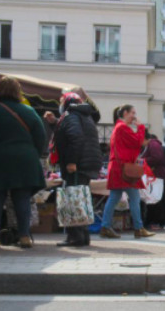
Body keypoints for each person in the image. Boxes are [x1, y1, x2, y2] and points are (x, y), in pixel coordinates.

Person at [0, 78, 46, 249]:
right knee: (22, 199)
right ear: (17, 92)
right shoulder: (29, 112)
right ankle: (24, 236)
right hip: (24, 160)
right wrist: (30, 153)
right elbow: (40, 137)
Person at [53, 92, 103, 247]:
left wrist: (72, 161)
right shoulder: (84, 116)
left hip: (77, 165)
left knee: (72, 199)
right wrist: (53, 123)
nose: (60, 104)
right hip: (86, 163)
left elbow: (75, 137)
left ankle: (76, 237)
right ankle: (83, 236)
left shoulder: (70, 116)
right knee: (80, 199)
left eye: (61, 101)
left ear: (67, 102)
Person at [100, 105, 156, 239]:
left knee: (114, 198)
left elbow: (134, 143)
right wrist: (141, 127)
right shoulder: (122, 128)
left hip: (119, 167)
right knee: (134, 198)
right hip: (123, 168)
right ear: (125, 113)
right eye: (132, 113)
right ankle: (138, 228)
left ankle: (106, 226)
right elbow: (137, 142)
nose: (134, 116)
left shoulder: (118, 127)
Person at [143, 133, 165, 230]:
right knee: (154, 199)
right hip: (154, 176)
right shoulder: (152, 145)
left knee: (155, 200)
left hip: (156, 176)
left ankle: (157, 221)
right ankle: (156, 221)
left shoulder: (153, 145)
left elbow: (157, 158)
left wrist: (142, 160)